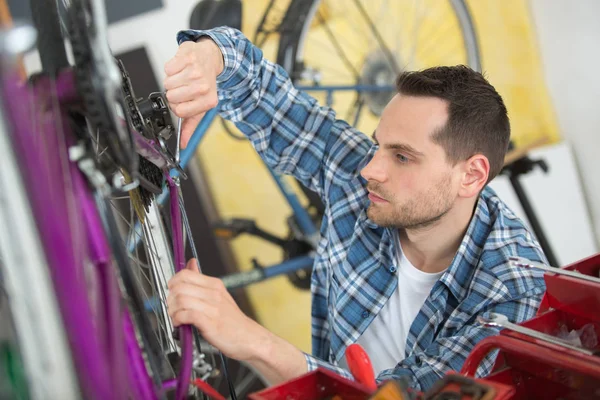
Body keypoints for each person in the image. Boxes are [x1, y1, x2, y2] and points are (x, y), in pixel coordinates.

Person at [163, 26, 547, 391]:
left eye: (402, 157)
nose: (369, 169)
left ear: (471, 175)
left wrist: (250, 340)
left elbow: (402, 397)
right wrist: (209, 57)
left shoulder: (512, 291)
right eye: (380, 144)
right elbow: (265, 95)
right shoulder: (361, 178)